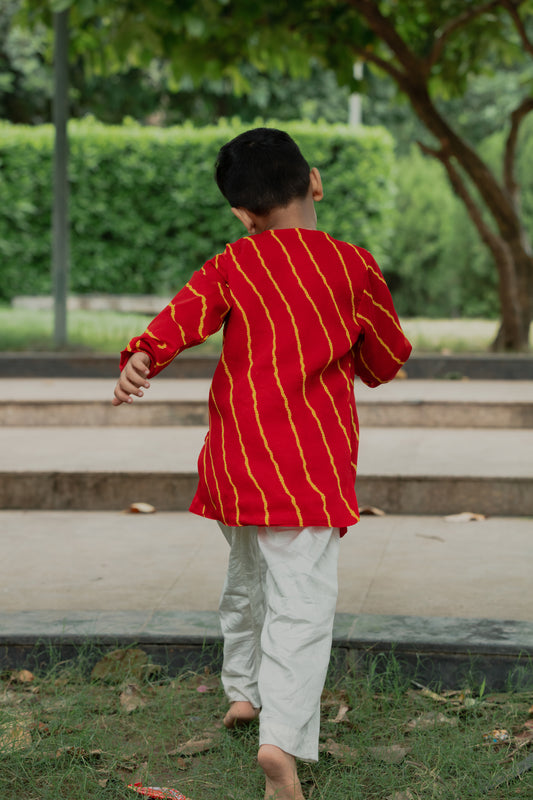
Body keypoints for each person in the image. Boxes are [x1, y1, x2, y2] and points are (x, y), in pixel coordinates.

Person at [112, 127, 412, 800]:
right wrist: (352, 349)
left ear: (243, 215)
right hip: (308, 470)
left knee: (247, 576)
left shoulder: (233, 263)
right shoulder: (353, 266)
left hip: (237, 465)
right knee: (301, 604)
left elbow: (180, 318)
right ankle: (279, 741)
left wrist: (142, 357)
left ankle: (243, 693)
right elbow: (384, 360)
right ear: (314, 182)